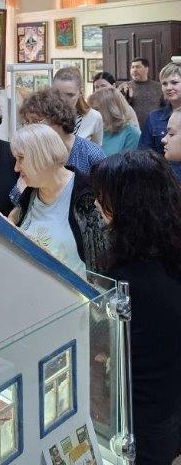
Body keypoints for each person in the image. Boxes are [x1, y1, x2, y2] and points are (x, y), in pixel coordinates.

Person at [90, 151, 181, 465]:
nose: (97, 204)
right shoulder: (167, 255)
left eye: (103, 197)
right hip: (166, 406)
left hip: (138, 420)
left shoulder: (129, 279)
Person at [10, 123, 107, 275]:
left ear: (42, 156)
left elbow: (102, 261)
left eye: (21, 158)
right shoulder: (28, 194)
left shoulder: (88, 195)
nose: (16, 167)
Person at [19, 87, 105, 173]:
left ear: (57, 118)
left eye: (35, 121)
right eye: (27, 122)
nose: (30, 127)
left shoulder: (91, 154)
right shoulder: (31, 152)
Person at [139, 61, 181, 180]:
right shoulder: (154, 117)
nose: (169, 87)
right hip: (162, 180)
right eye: (164, 83)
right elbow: (143, 155)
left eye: (174, 82)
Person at [53, 66, 103, 145]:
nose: (63, 100)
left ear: (80, 92)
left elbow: (96, 150)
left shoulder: (94, 117)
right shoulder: (44, 117)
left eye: (70, 95)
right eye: (57, 94)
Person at [88, 87, 140, 156]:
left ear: (111, 110)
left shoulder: (132, 133)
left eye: (96, 109)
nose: (92, 113)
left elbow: (131, 161)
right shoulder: (96, 129)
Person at [118, 57, 163, 130]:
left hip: (154, 129)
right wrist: (127, 98)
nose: (134, 70)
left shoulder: (158, 87)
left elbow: (166, 108)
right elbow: (117, 109)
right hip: (131, 129)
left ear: (146, 69)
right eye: (132, 67)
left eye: (138, 67)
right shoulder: (123, 87)